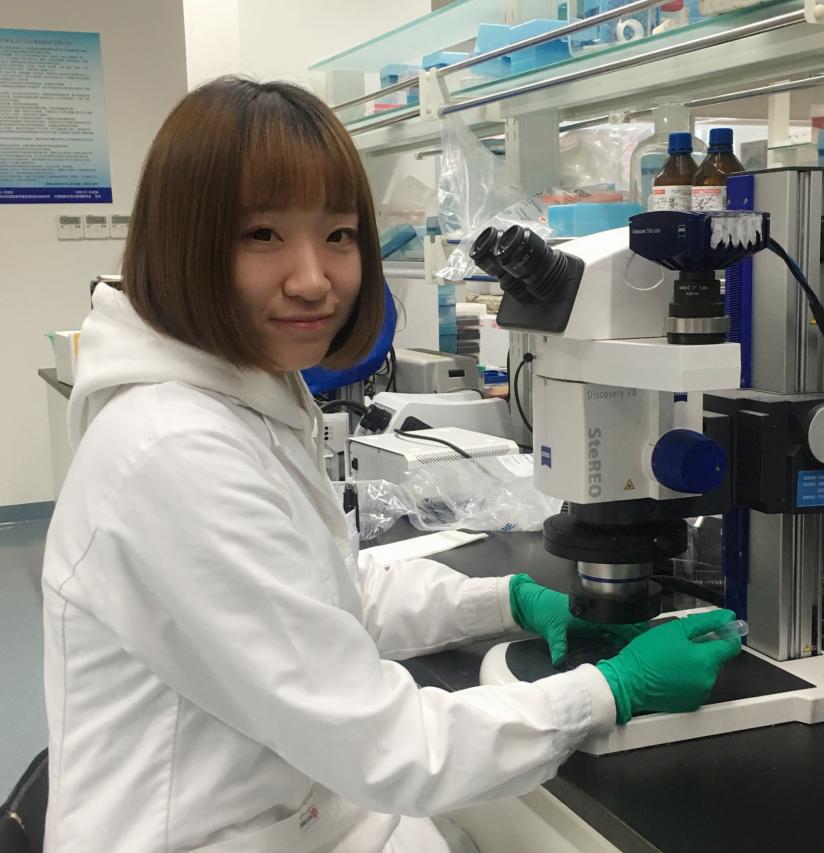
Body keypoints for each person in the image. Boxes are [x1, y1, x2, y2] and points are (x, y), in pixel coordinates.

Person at [41, 77, 740, 853]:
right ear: (183, 243)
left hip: (294, 813)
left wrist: (507, 599)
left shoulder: (248, 391)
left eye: (338, 235)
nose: (314, 279)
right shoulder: (173, 450)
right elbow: (387, 747)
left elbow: (326, 595)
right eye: (262, 234)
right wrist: (608, 691)